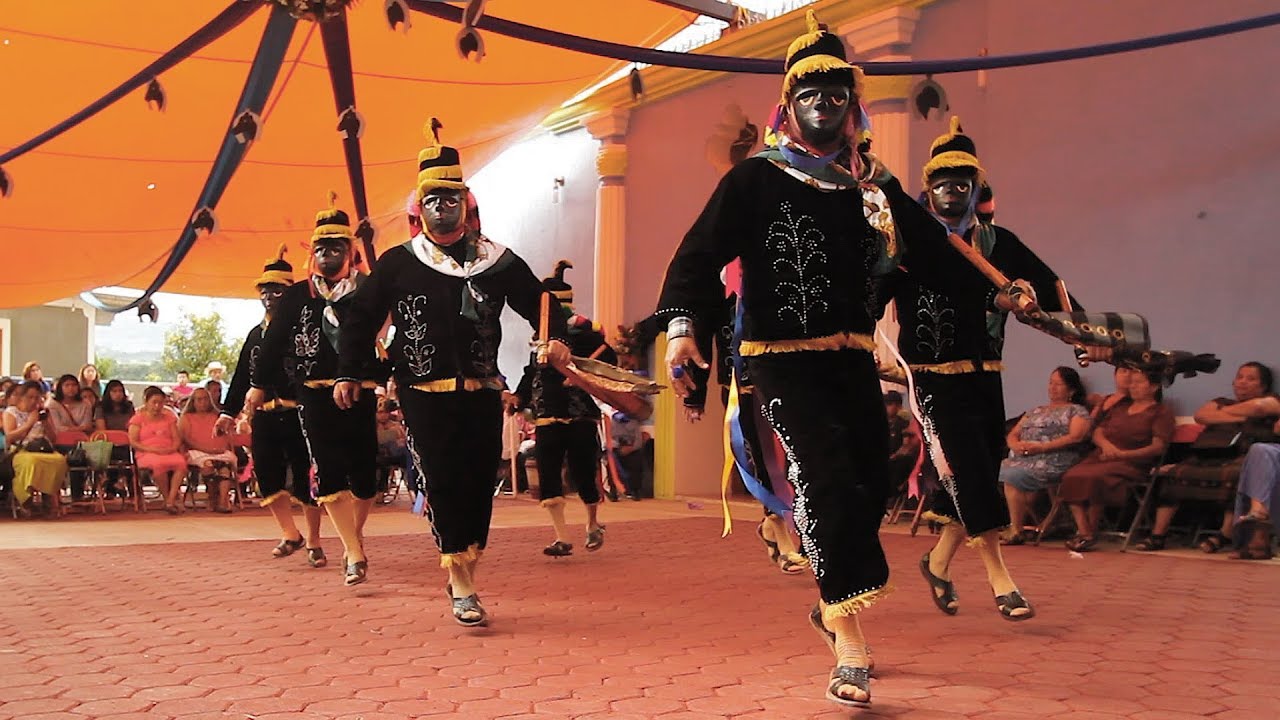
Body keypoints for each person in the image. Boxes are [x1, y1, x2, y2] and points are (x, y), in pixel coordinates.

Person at [656, 10, 972, 707]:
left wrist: (1007, 293)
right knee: (824, 478)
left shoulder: (875, 187)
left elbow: (940, 257)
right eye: (810, 95)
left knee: (866, 483)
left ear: (851, 105)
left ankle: (833, 598)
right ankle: (849, 635)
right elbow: (697, 257)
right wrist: (685, 328)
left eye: (836, 96)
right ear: (789, 104)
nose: (823, 107)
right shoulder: (755, 180)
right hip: (779, 361)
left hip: (853, 361)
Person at [336, 120, 570, 627]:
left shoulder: (497, 260)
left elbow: (543, 306)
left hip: (483, 391)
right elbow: (359, 320)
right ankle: (462, 582)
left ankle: (464, 562)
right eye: (434, 200)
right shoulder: (399, 264)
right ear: (420, 209)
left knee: (477, 480)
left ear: (467, 203)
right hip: (424, 392)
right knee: (441, 477)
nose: (445, 208)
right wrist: (349, 373)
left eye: (453, 198)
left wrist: (554, 338)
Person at [875, 117, 1085, 623]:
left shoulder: (998, 243)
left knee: (979, 470)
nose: (952, 193)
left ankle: (938, 561)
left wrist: (1081, 336)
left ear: (977, 190)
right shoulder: (910, 244)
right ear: (928, 190)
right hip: (930, 377)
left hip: (985, 373)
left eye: (962, 184)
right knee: (966, 471)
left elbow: (1050, 286)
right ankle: (1000, 577)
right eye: (942, 184)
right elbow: (871, 296)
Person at [246, 201, 380, 586]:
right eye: (320, 249)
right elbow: (272, 344)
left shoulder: (369, 290)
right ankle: (353, 551)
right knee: (328, 468)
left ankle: (354, 534)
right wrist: (257, 385)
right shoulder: (297, 296)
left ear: (350, 251)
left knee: (365, 474)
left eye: (335, 248)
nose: (327, 255)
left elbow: (394, 331)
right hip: (314, 395)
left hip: (361, 390)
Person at [219, 245, 327, 565]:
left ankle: (314, 541)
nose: (269, 297)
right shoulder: (255, 334)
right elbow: (241, 376)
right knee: (268, 478)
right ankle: (289, 533)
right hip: (265, 416)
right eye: (265, 291)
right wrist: (228, 411)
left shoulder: (304, 330)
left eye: (277, 291)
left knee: (308, 479)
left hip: (299, 412)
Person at [513, 261, 615, 556]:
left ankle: (593, 524)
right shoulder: (539, 341)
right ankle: (561, 536)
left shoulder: (591, 338)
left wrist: (583, 379)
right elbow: (531, 374)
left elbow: (608, 366)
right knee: (549, 475)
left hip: (580, 414)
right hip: (547, 415)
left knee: (584, 471)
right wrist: (517, 398)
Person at [1136, 362, 1279, 552]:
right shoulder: (1222, 400)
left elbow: (1259, 408)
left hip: (1241, 457)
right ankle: (1158, 535)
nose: (1242, 382)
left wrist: (1222, 414)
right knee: (1175, 473)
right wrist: (1245, 415)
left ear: (1263, 386)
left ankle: (1224, 535)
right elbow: (1202, 415)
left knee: (1239, 476)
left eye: (1251, 379)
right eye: (1240, 377)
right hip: (1206, 455)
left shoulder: (1273, 399)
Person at [1059, 368, 1174, 551]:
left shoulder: (1160, 412)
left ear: (1153, 387)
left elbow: (1158, 447)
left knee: (1095, 477)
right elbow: (1098, 431)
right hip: (1103, 455)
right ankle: (1085, 531)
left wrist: (1122, 455)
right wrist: (1106, 446)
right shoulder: (1120, 407)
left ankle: (1089, 532)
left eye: (1138, 382)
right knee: (1071, 476)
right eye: (1132, 382)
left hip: (1132, 461)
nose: (1132, 386)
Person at [999, 367, 1093, 542]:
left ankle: (1016, 529)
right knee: (996, 469)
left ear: (1071, 389)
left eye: (1058, 384)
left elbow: (1076, 436)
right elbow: (1013, 433)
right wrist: (1016, 445)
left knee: (1012, 474)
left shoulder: (1076, 411)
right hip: (1025, 456)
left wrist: (1042, 448)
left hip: (1056, 458)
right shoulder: (1036, 410)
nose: (1052, 387)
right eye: (1051, 383)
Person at [2, 380, 68, 515]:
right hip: (20, 450)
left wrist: (46, 422)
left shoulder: (41, 412)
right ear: (21, 397)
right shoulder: (11, 412)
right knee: (32, 463)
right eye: (30, 397)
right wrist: (30, 423)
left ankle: (49, 497)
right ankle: (26, 500)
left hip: (42, 448)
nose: (33, 401)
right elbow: (10, 438)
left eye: (36, 397)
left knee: (59, 460)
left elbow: (53, 438)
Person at [129, 385, 188, 514]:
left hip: (168, 450)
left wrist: (172, 448)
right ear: (146, 402)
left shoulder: (169, 418)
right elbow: (133, 441)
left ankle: (170, 499)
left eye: (160, 403)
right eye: (154, 402)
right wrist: (151, 449)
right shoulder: (137, 419)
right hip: (146, 452)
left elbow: (176, 438)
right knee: (158, 464)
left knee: (181, 463)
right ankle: (168, 499)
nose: (157, 406)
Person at [179, 387, 238, 513]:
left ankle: (222, 502)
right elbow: (185, 439)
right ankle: (212, 499)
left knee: (224, 468)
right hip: (196, 452)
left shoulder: (217, 416)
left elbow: (225, 436)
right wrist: (206, 449)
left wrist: (218, 449)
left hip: (218, 451)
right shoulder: (186, 418)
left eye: (206, 399)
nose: (203, 402)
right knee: (208, 465)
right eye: (199, 400)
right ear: (193, 402)